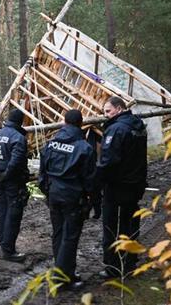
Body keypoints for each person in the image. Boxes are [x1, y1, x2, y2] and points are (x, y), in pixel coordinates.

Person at [39, 109, 97, 290]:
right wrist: (93, 200)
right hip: (72, 197)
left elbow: (42, 172)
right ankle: (61, 278)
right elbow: (90, 178)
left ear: (64, 122)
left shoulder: (50, 144)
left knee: (58, 234)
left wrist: (47, 191)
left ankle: (66, 271)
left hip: (54, 194)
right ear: (81, 124)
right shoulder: (84, 147)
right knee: (70, 237)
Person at [97, 96, 147, 278]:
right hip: (135, 183)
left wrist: (97, 181)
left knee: (111, 226)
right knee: (131, 224)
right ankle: (130, 262)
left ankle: (113, 267)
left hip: (117, 186)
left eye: (108, 111)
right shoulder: (138, 126)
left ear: (119, 109)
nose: (106, 115)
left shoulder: (116, 129)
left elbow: (109, 161)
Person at [0, 109, 30, 263]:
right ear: (20, 122)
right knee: (13, 213)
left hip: (0, 180)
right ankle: (8, 249)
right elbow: (17, 160)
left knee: (2, 211)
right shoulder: (18, 138)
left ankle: (3, 243)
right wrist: (7, 174)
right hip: (13, 182)